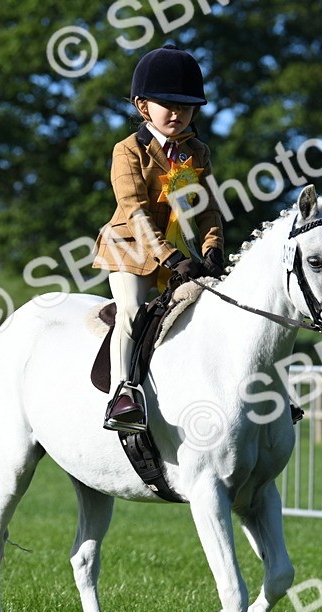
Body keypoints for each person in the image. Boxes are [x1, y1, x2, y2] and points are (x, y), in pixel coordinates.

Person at [93, 44, 224, 432]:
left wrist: (213, 246)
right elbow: (134, 210)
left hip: (182, 253)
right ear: (142, 106)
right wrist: (168, 257)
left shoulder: (197, 152)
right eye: (168, 104)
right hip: (130, 252)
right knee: (132, 312)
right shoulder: (127, 150)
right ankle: (124, 394)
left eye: (186, 106)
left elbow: (209, 209)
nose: (178, 113)